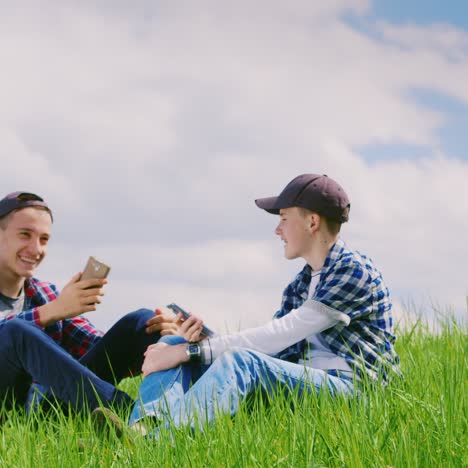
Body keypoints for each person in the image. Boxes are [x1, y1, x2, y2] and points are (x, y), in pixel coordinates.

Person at [95, 174, 401, 435]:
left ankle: (157, 444)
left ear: (312, 222)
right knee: (174, 341)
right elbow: (272, 351)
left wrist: (193, 352)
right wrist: (198, 344)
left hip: (353, 392)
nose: (277, 230)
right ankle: (143, 428)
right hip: (301, 384)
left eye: (283, 219)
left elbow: (279, 335)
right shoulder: (299, 285)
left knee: (223, 358)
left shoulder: (353, 270)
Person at [0, 191, 179, 417]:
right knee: (15, 332)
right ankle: (131, 415)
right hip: (6, 411)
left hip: (45, 414)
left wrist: (157, 340)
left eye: (44, 239)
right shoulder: (51, 305)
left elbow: (95, 348)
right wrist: (51, 312)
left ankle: (181, 412)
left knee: (141, 322)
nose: (36, 249)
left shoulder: (44, 294)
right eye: (25, 235)